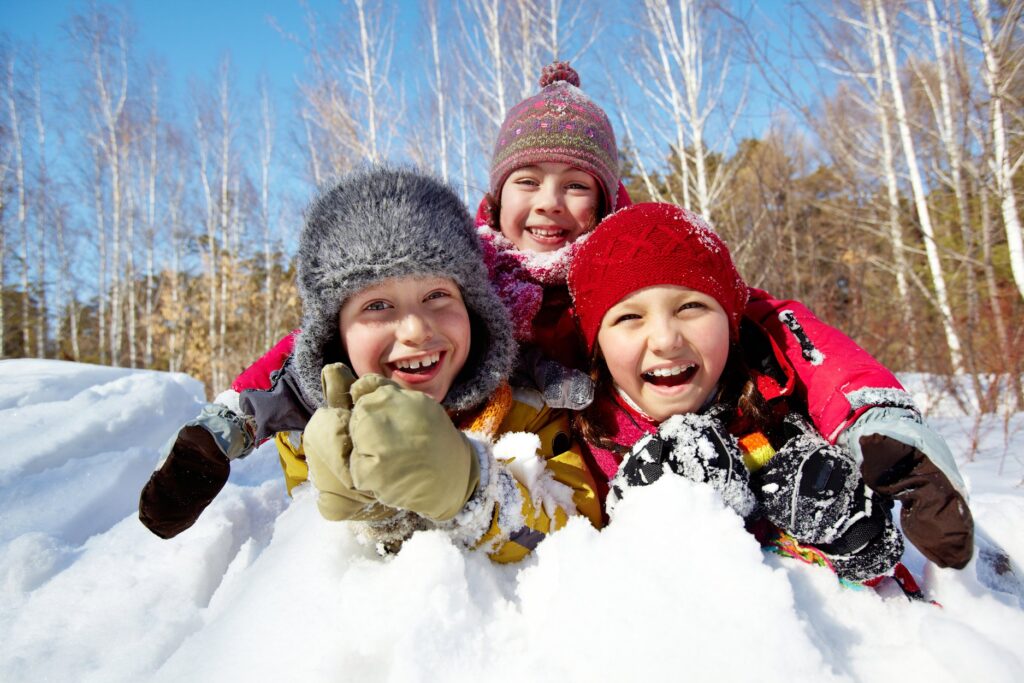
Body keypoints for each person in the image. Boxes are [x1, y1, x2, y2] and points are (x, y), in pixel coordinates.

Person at [143, 62, 973, 572]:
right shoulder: (452, 279)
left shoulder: (632, 279)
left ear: (607, 200)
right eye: (528, 180)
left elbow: (767, 320)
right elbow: (313, 347)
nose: (551, 204)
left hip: (575, 461)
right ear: (494, 194)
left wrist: (878, 421)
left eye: (577, 185)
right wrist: (228, 424)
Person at [141, 165, 601, 562]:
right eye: (378, 306)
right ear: (334, 334)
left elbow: (570, 526)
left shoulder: (524, 406)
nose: (417, 330)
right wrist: (376, 518)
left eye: (437, 295)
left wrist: (472, 489)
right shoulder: (312, 426)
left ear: (475, 308)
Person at [567, 202, 910, 583]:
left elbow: (876, 601)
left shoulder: (774, 414)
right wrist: (632, 525)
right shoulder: (576, 445)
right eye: (630, 317)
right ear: (596, 343)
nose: (665, 339)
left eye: (691, 307)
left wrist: (853, 539)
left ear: (731, 322)